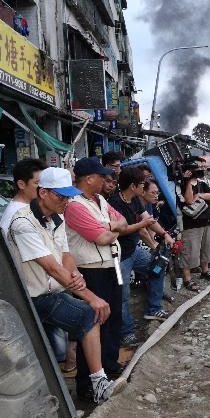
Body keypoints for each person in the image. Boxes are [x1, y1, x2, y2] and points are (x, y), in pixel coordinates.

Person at [4, 167, 114, 404]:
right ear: (43, 193)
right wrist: (89, 296)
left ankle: (95, 381)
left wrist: (74, 274)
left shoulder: (57, 218)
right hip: (33, 297)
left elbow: (65, 256)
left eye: (68, 196)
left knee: (86, 319)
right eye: (60, 196)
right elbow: (52, 267)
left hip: (55, 289)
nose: (66, 201)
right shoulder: (23, 223)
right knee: (89, 313)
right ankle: (97, 382)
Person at [65, 157, 147, 400]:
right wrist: (112, 229)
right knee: (93, 325)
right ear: (89, 179)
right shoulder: (75, 206)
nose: (107, 180)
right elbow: (102, 238)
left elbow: (122, 223)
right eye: (103, 177)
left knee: (113, 320)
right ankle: (88, 383)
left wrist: (108, 227)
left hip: (111, 266)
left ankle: (110, 367)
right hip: (91, 271)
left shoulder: (100, 200)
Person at [107, 166, 168, 348]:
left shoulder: (135, 200)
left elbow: (147, 219)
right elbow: (123, 230)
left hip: (134, 251)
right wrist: (144, 227)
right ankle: (126, 333)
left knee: (158, 266)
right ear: (133, 186)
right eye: (142, 183)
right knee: (122, 294)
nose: (144, 186)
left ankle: (153, 308)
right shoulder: (114, 204)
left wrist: (164, 235)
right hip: (119, 258)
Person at [181, 157, 210, 291]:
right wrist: (188, 182)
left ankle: (205, 271)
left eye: (203, 166)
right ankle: (187, 279)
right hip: (191, 224)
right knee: (190, 251)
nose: (202, 169)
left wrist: (199, 195)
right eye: (200, 166)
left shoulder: (203, 181)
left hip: (206, 222)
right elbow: (189, 200)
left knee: (206, 248)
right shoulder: (184, 182)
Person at [0, 158, 47, 237]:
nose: (43, 187)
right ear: (21, 184)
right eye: (37, 183)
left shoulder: (32, 207)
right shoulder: (15, 214)